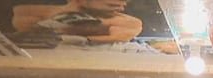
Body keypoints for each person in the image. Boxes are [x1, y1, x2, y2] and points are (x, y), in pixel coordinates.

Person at [12, 0, 143, 44]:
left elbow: (122, 32)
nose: (124, 2)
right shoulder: (27, 14)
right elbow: (20, 22)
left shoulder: (130, 23)